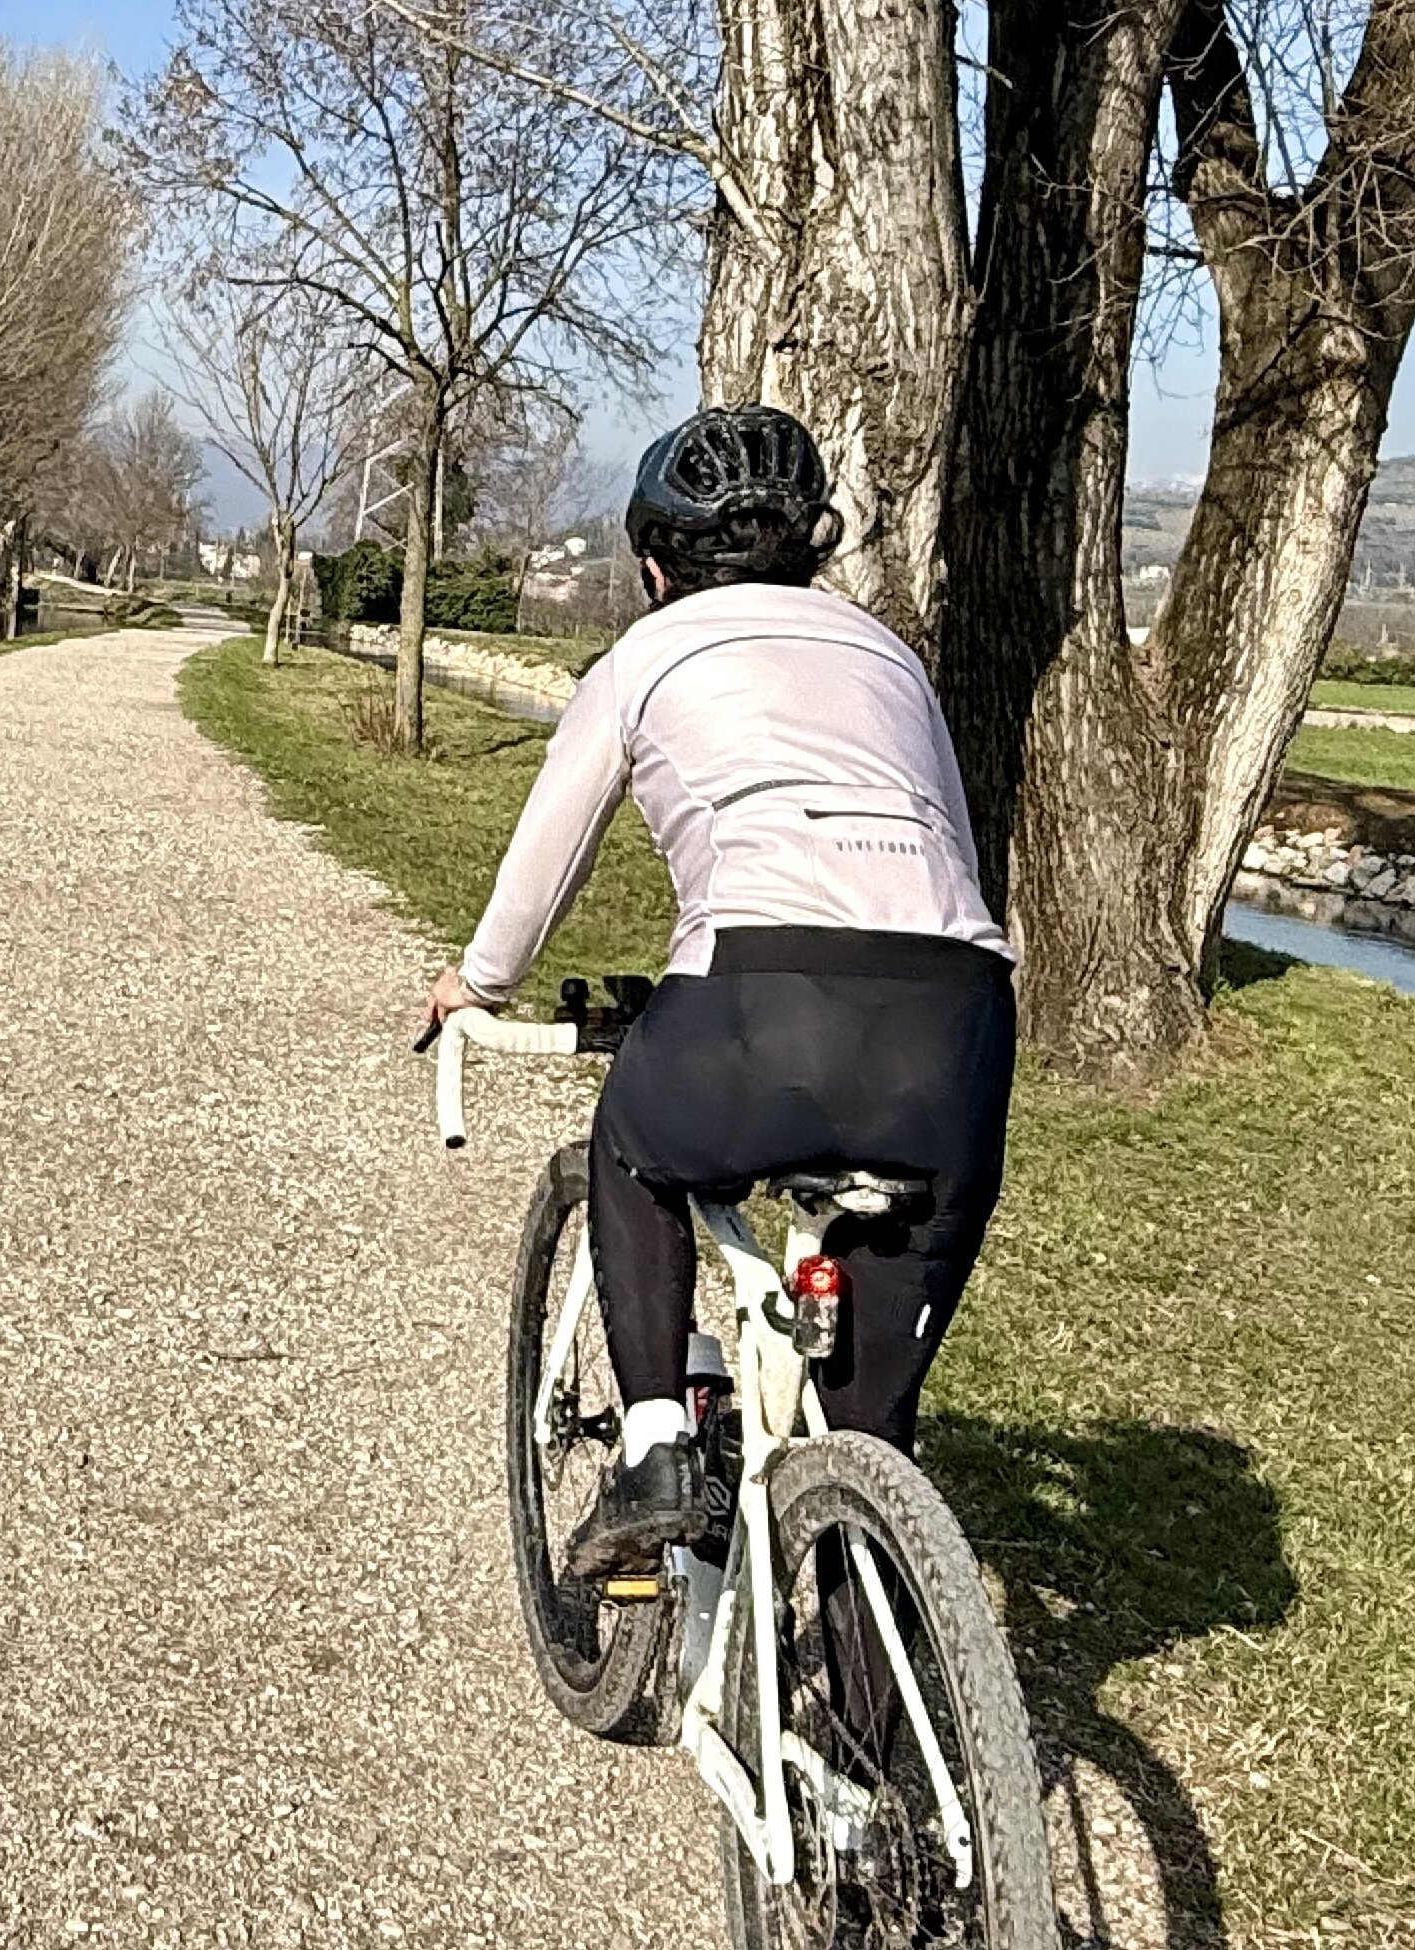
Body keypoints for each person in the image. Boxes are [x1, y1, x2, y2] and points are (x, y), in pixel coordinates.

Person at [412, 404, 1016, 1575]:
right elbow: (951, 849)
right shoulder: (891, 656)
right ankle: (880, 1716)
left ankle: (651, 1450)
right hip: (957, 1020)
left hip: (756, 1001)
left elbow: (548, 856)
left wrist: (474, 982)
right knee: (869, 1426)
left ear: (652, 564)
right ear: (813, 547)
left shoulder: (647, 653)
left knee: (633, 1149)